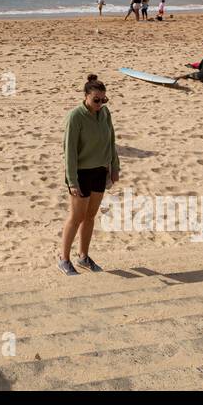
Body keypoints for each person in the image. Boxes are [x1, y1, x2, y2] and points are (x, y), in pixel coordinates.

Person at [59, 74, 120, 275]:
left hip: (100, 172)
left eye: (103, 100)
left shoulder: (105, 113)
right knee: (76, 217)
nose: (100, 103)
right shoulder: (75, 117)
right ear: (85, 96)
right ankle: (64, 259)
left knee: (91, 216)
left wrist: (114, 166)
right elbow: (69, 151)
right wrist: (72, 181)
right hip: (81, 173)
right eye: (96, 100)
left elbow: (111, 140)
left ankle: (83, 256)